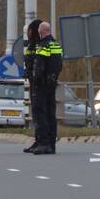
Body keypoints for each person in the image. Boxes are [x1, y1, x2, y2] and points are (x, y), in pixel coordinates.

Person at [30, 21, 63, 155]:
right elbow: (59, 65)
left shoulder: (43, 46)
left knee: (41, 114)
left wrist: (36, 81)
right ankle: (51, 144)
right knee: (51, 114)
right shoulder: (56, 45)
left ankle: (43, 143)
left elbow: (39, 66)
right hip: (52, 84)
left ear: (41, 32)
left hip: (42, 85)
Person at [22, 19, 43, 154]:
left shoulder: (40, 45)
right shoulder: (32, 45)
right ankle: (38, 140)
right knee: (36, 114)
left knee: (40, 114)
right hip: (33, 82)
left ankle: (42, 141)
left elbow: (41, 64)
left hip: (39, 84)